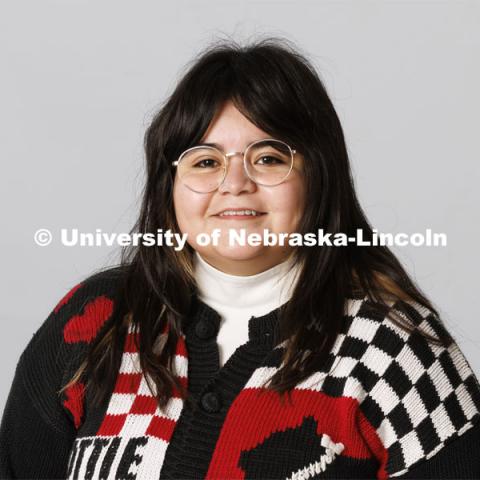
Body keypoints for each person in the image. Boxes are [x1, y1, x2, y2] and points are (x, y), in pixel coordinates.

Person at [1, 37, 479, 480]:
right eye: (205, 161)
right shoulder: (97, 320)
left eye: (269, 158)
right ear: (169, 187)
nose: (235, 183)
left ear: (319, 175)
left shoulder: (397, 351)